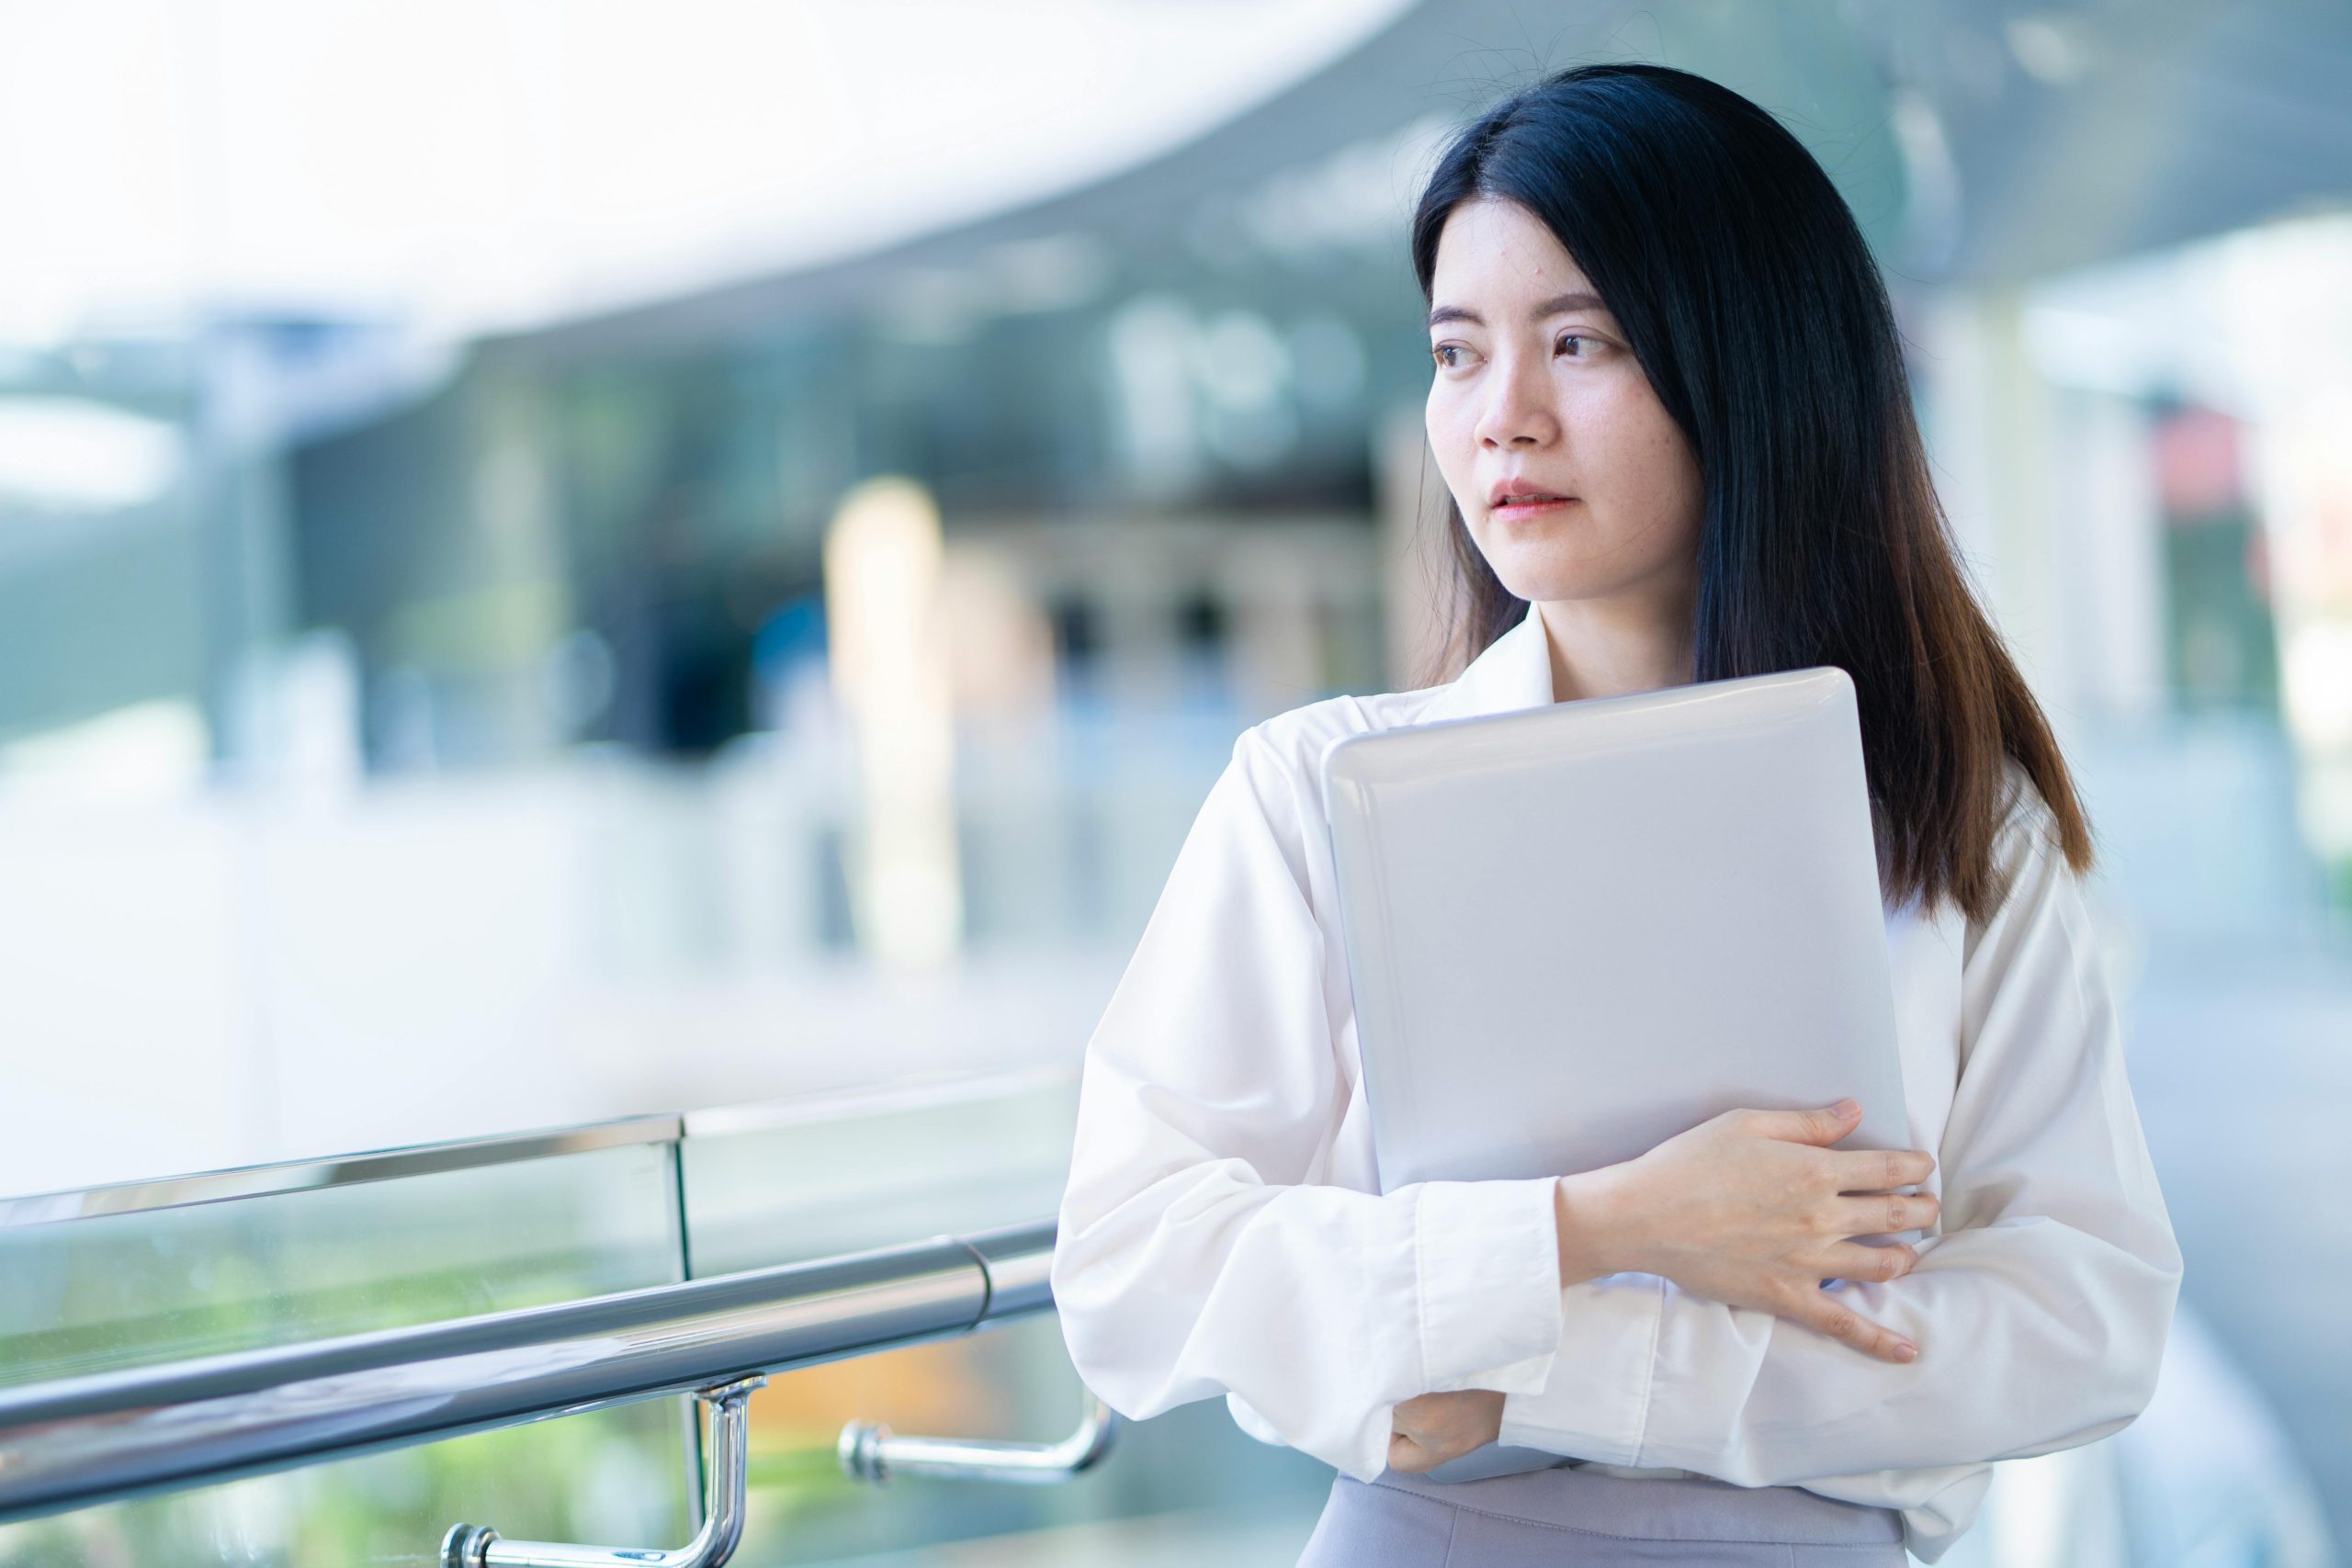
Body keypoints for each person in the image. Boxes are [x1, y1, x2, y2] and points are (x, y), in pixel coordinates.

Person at [1048, 62, 2182, 1567]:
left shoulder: (1955, 817)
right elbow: (1134, 1267)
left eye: (1578, 342)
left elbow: (2081, 1321)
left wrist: (1535, 1363)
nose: (1501, 418)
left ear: (1755, 364)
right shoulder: (1313, 796)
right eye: (1459, 354)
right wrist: (1604, 1228)